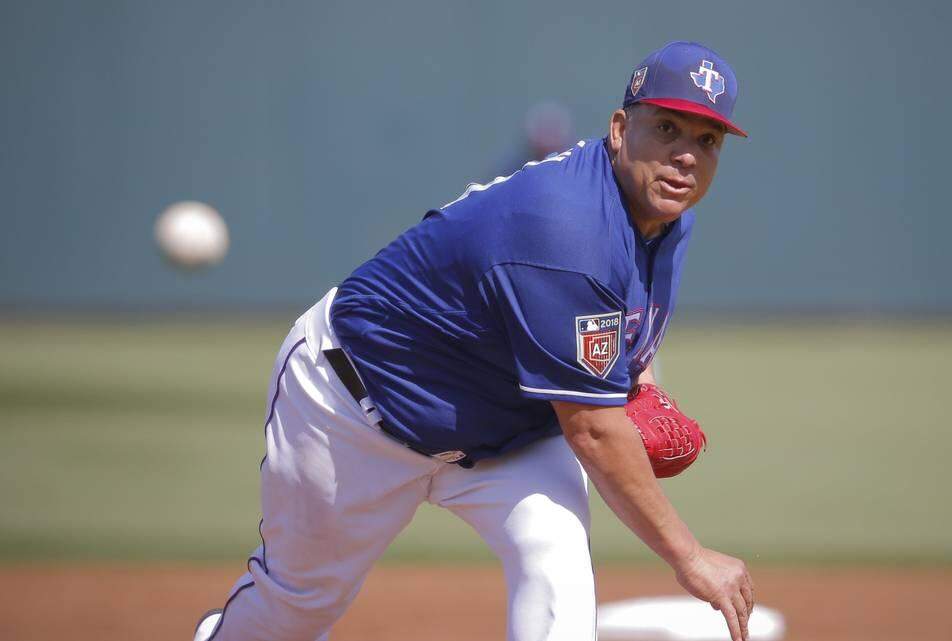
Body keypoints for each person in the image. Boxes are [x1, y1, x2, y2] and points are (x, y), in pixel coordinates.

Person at [194, 40, 752, 641]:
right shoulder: (567, 231)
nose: (686, 156)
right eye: (667, 128)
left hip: (506, 431)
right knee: (296, 608)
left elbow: (619, 337)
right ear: (619, 129)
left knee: (556, 573)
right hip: (353, 408)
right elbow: (590, 427)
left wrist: (632, 381)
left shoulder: (669, 218)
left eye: (706, 140)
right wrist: (690, 557)